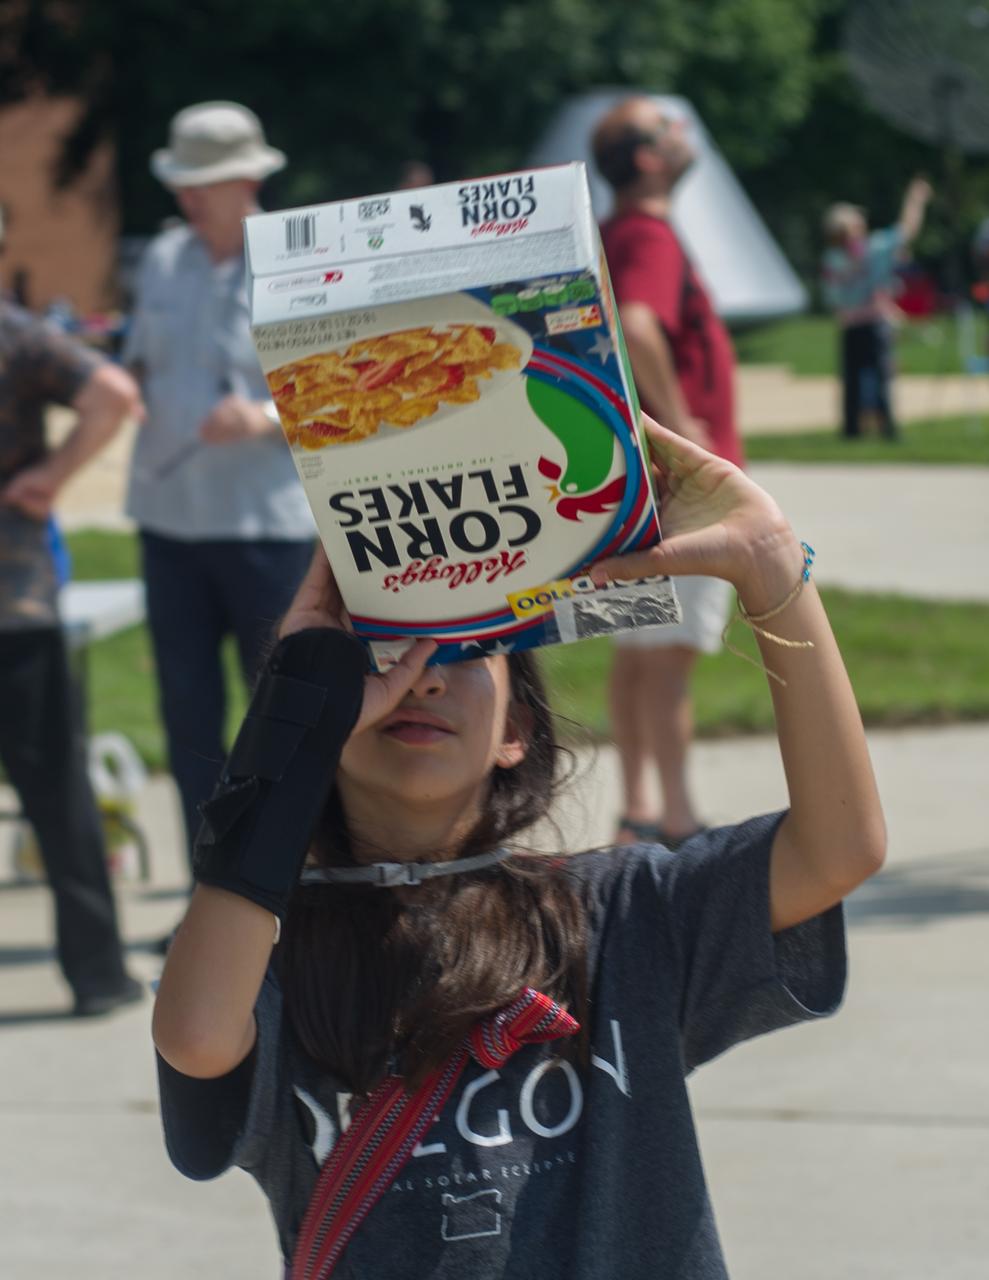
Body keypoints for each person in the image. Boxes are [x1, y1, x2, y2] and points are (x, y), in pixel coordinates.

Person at [152, 414, 886, 1279]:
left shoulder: (617, 915)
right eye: (381, 651)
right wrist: (296, 711)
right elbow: (198, 1038)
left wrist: (772, 572)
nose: (420, 672)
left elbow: (840, 847)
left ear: (517, 729)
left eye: (464, 651)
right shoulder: (258, 953)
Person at [123, 101, 315, 880]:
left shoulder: (297, 262)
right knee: (187, 715)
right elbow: (139, 359)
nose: (187, 197)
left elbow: (340, 390)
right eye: (183, 182)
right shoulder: (164, 258)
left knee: (281, 714)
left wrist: (267, 416)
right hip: (170, 520)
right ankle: (210, 882)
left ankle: (291, 881)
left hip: (266, 523)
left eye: (202, 183)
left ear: (246, 181)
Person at [590, 95, 744, 848]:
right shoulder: (648, 233)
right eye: (668, 128)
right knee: (673, 658)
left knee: (637, 651)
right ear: (646, 159)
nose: (684, 134)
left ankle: (638, 810)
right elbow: (639, 321)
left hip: (640, 483)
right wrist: (684, 427)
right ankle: (678, 819)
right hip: (681, 485)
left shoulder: (615, 230)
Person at [0, 296, 145, 1016]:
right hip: (13, 599)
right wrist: (52, 476)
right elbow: (114, 393)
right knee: (57, 792)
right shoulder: (18, 336)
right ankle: (97, 973)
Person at [821, 177, 933, 440]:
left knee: (858, 379)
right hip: (870, 321)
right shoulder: (870, 250)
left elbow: (832, 296)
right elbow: (906, 230)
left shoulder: (838, 257)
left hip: (855, 323)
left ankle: (858, 428)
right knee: (876, 377)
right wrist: (916, 199)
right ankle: (880, 427)